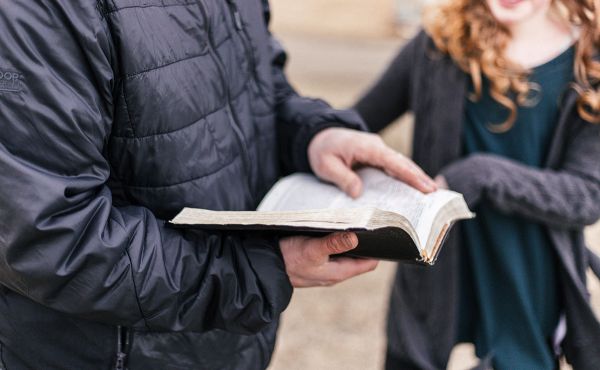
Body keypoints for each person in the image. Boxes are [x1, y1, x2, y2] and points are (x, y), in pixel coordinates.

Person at [0, 1, 437, 369]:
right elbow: (52, 236)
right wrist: (256, 272)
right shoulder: (38, 13)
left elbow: (260, 83)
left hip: (230, 339)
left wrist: (313, 134)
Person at [354, 0, 600, 369]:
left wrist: (481, 175)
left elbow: (585, 195)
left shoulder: (589, 63)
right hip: (436, 268)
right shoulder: (440, 43)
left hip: (528, 280)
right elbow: (353, 127)